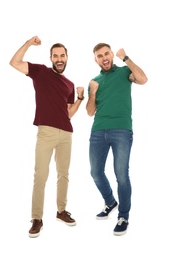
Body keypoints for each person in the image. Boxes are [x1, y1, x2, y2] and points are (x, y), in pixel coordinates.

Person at [9, 36, 84, 238]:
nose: (59, 58)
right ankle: (37, 218)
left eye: (62, 55)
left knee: (64, 174)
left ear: (67, 57)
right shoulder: (41, 72)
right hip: (46, 132)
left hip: (66, 133)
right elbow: (14, 63)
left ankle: (61, 211)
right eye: (55, 55)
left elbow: (68, 113)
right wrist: (27, 44)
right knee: (40, 176)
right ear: (51, 58)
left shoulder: (69, 83)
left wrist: (79, 98)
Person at [86, 43, 148, 236]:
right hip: (98, 131)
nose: (104, 58)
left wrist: (126, 58)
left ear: (112, 55)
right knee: (95, 172)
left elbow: (143, 79)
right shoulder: (94, 81)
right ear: (95, 59)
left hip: (121, 130)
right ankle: (110, 202)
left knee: (121, 175)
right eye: (99, 56)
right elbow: (89, 112)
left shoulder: (124, 72)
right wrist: (93, 92)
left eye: (106, 54)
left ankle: (123, 216)